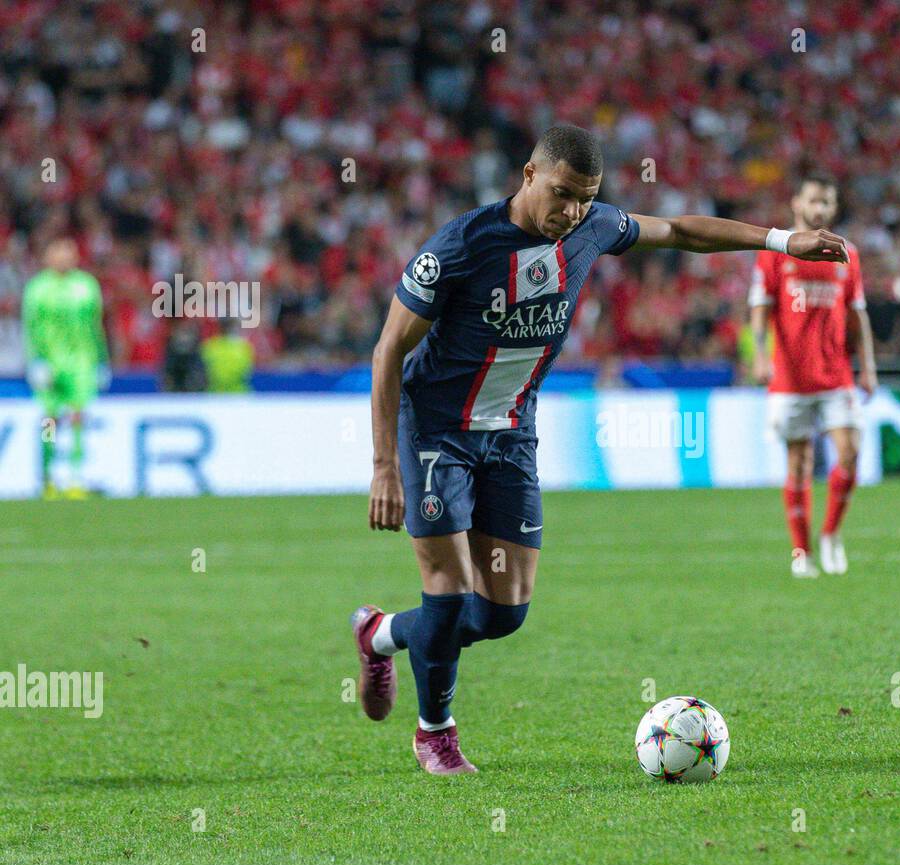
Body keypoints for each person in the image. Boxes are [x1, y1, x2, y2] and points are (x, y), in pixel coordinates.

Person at [352, 125, 849, 775]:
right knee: (447, 592)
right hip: (436, 434)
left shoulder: (591, 227)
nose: (572, 212)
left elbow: (679, 232)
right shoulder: (462, 246)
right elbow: (388, 348)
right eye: (561, 195)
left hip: (511, 434)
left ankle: (380, 634)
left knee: (503, 613)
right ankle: (434, 733)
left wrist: (784, 242)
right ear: (529, 174)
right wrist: (385, 465)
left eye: (586, 199)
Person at [748, 174, 877, 578]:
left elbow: (858, 315)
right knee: (799, 463)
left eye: (827, 202)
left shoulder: (846, 254)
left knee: (851, 453)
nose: (820, 209)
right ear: (796, 204)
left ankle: (831, 534)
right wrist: (759, 354)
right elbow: (759, 307)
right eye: (813, 201)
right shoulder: (774, 251)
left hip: (836, 375)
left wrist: (868, 365)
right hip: (789, 378)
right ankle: (801, 552)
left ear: (833, 209)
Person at [21, 239, 109, 499]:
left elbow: (96, 325)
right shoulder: (38, 288)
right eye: (58, 253)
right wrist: (35, 361)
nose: (64, 258)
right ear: (48, 257)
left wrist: (102, 359)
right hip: (50, 363)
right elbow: (31, 328)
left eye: (68, 253)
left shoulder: (86, 285)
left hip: (82, 362)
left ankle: (75, 477)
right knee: (50, 420)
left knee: (78, 416)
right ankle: (48, 476)